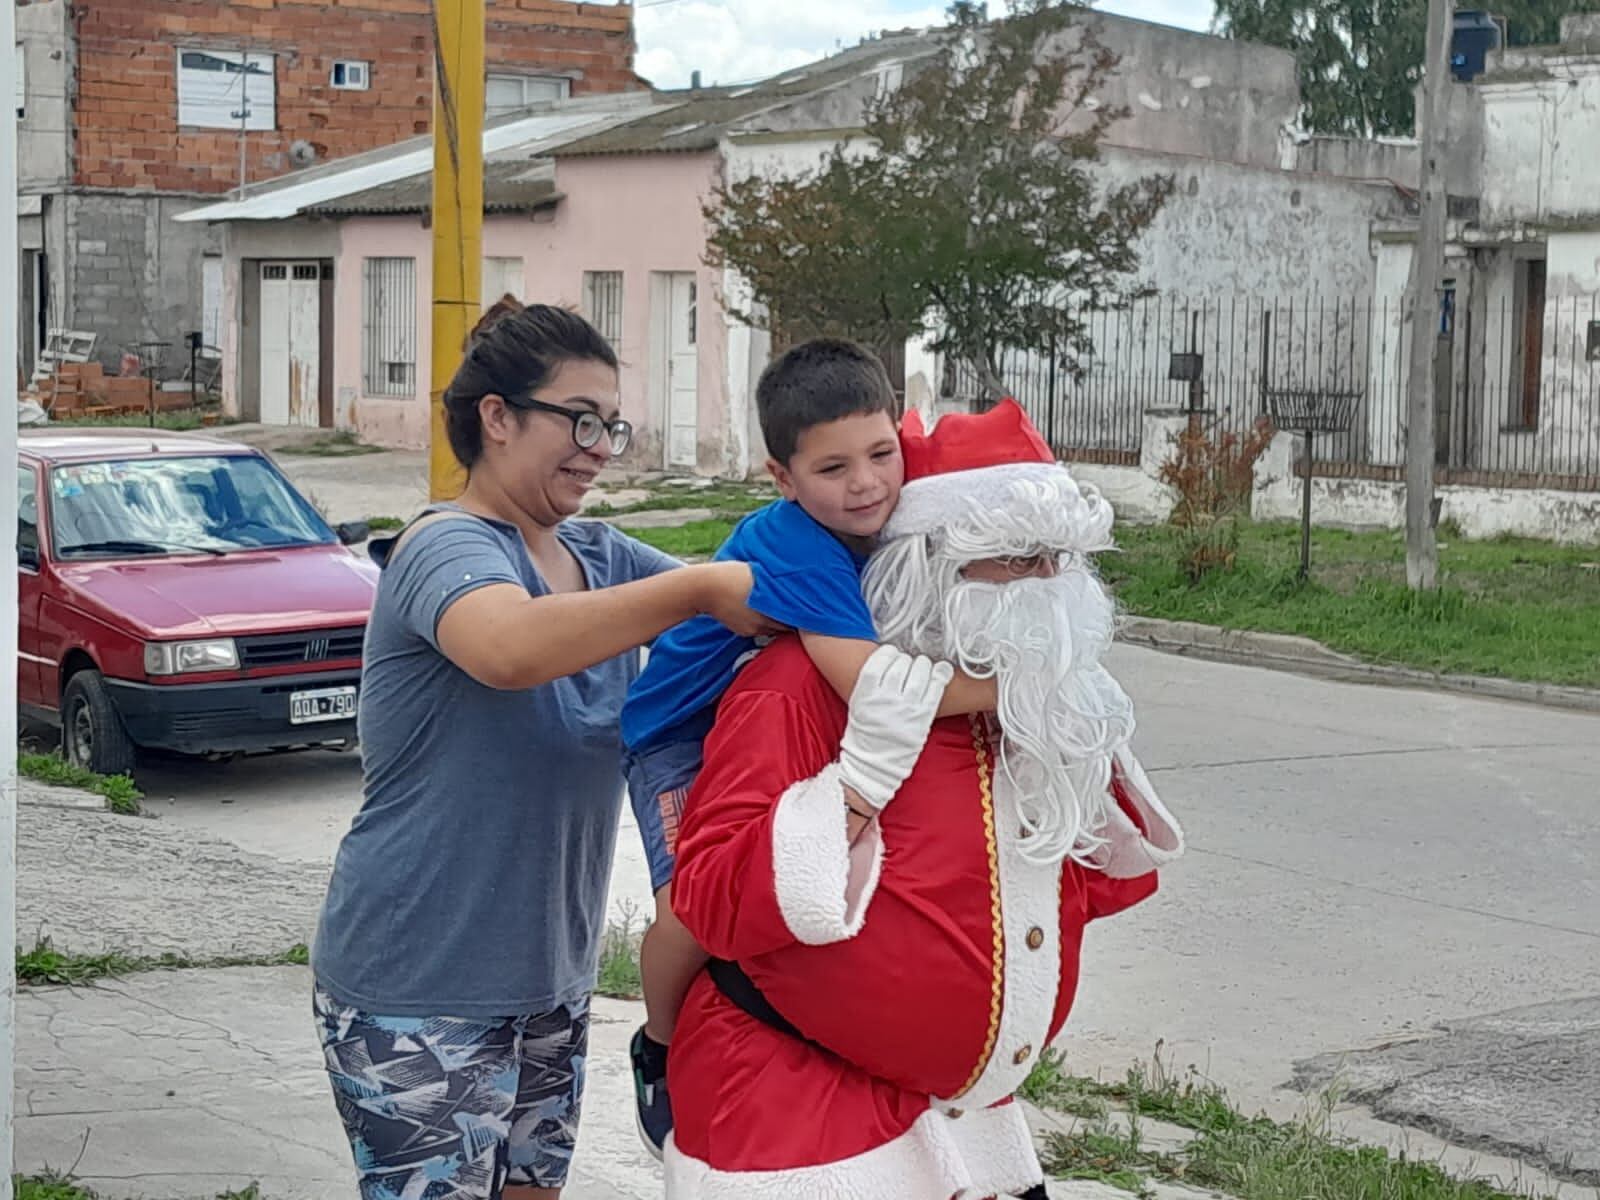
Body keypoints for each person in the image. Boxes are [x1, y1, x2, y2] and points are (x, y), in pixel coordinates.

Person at [310, 302, 777, 1200]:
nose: (602, 446)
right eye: (581, 419)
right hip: (416, 991)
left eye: (613, 425)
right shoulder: (441, 547)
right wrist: (702, 589)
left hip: (549, 987)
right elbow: (511, 649)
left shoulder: (602, 557)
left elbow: (753, 606)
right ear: (498, 416)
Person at [664, 399, 1186, 1199]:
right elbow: (711, 897)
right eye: (1015, 557)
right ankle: (651, 1053)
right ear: (930, 564)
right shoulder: (801, 689)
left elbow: (1074, 878)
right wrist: (858, 788)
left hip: (966, 1124)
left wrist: (1071, 731)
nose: (1048, 583)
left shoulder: (1029, 702)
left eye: (1061, 558)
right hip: (796, 1110)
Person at [620, 339, 1000, 1155]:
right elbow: (869, 682)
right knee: (692, 905)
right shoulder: (795, 542)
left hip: (771, 714)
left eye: (881, 454)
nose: (866, 484)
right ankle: (654, 1044)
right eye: (832, 470)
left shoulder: (892, 503)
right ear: (783, 479)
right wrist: (1017, 685)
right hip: (678, 733)